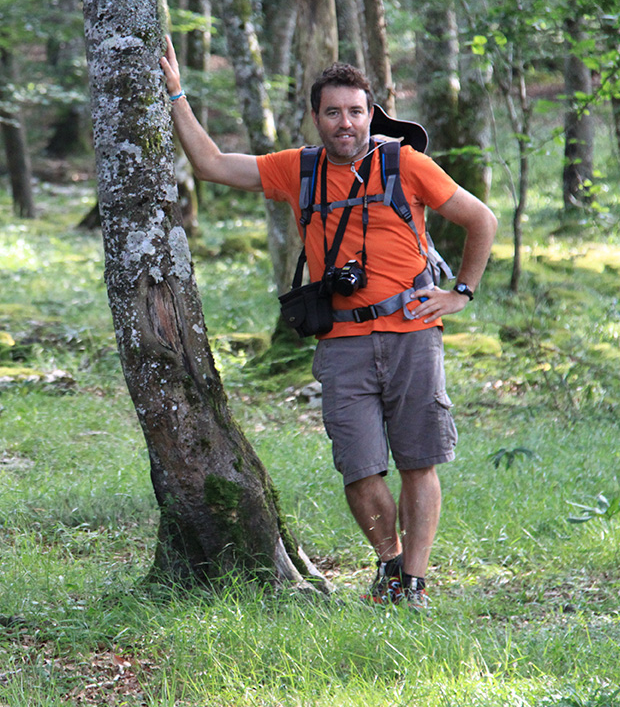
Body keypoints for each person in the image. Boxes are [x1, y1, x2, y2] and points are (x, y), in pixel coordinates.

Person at [161, 38, 497, 610]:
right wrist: (175, 92)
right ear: (316, 117)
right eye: (334, 112)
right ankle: (390, 563)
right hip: (341, 341)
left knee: (419, 460)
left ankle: (412, 584)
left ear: (372, 113)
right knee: (360, 468)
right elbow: (212, 165)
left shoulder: (405, 164)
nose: (346, 123)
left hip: (413, 333)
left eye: (356, 111)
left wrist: (460, 293)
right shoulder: (298, 169)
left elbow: (480, 219)